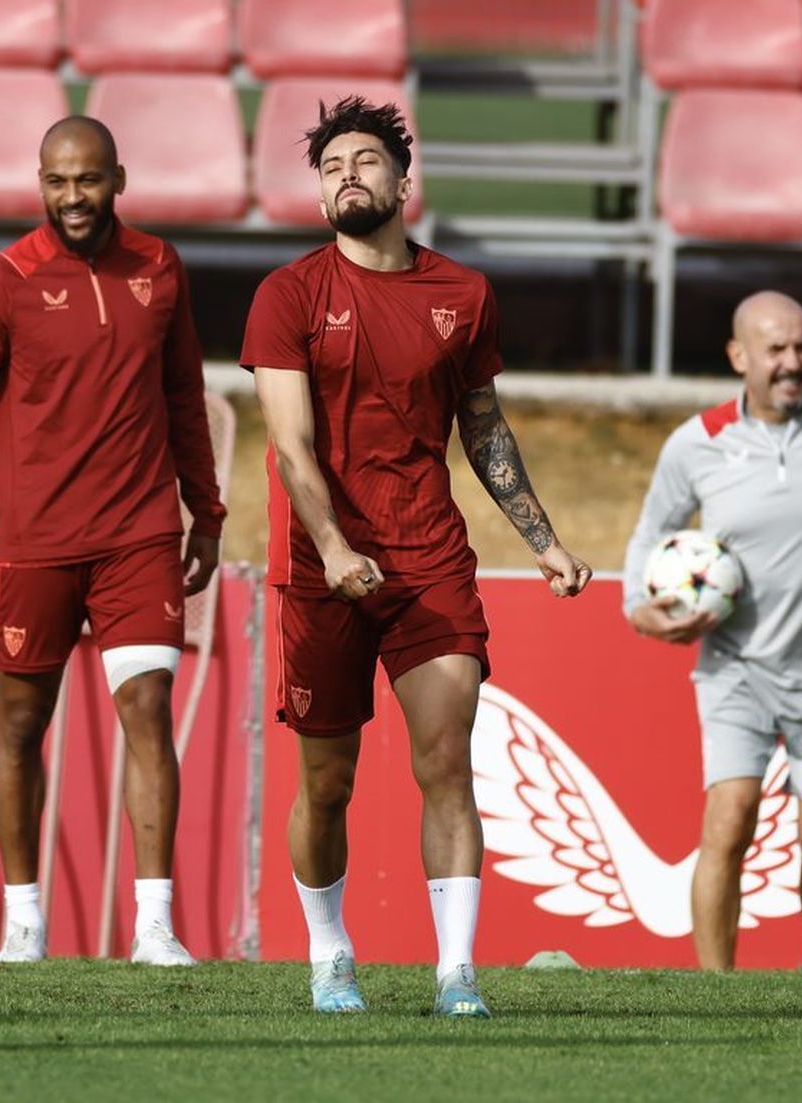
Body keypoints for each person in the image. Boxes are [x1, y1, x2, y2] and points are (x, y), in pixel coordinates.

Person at [241, 96, 591, 1017]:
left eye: (365, 160)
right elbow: (289, 446)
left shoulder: (464, 295)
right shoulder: (288, 295)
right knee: (328, 783)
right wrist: (332, 544)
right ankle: (330, 954)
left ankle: (456, 976)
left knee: (446, 760)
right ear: (320, 199)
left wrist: (545, 543)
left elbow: (484, 427)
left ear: (403, 181)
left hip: (430, 558)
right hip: (323, 568)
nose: (347, 174)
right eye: (331, 167)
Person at [0, 116, 227, 966]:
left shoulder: (160, 269)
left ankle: (154, 923)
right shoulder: (6, 281)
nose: (73, 197)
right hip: (36, 543)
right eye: (57, 181)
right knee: (21, 725)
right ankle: (25, 921)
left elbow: (185, 398)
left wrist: (207, 510)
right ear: (40, 183)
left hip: (139, 535)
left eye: (87, 180)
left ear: (118, 180)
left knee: (148, 711)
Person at [623, 290, 802, 972]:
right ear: (739, 357)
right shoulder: (698, 441)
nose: (792, 362)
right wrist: (640, 607)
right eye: (775, 349)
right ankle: (716, 992)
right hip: (735, 665)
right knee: (729, 819)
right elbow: (651, 533)